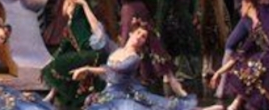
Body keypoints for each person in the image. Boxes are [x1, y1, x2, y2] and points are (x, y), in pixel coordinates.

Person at [71, 21, 204, 110]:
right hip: (109, 94)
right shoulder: (116, 50)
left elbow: (112, 70)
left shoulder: (135, 59)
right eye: (138, 33)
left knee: (162, 106)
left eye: (144, 37)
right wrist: (84, 4)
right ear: (131, 33)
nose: (140, 37)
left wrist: (88, 69)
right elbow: (99, 32)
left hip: (123, 95)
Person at [210, 0, 269, 110]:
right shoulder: (254, 29)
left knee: (255, 65)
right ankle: (235, 104)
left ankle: (235, 104)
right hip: (264, 63)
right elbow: (238, 55)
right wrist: (218, 72)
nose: (239, 8)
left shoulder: (264, 15)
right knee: (249, 64)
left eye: (241, 5)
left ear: (248, 5)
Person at [42, 0, 107, 108]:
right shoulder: (69, 26)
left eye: (71, 4)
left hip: (92, 54)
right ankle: (54, 93)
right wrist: (53, 59)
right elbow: (63, 47)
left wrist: (83, 2)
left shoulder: (79, 16)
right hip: (82, 54)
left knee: (57, 66)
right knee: (58, 66)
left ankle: (54, 94)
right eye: (68, 4)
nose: (69, 6)